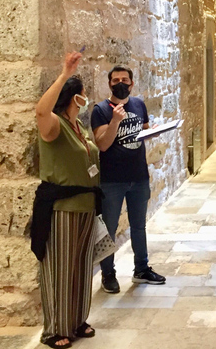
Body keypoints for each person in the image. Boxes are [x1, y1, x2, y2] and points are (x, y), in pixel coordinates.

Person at [34, 52, 99, 348]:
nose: (86, 98)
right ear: (74, 97)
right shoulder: (56, 126)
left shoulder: (80, 128)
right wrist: (63, 75)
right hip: (62, 208)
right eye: (84, 94)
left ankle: (76, 319)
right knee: (59, 268)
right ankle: (56, 328)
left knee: (82, 267)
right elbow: (40, 112)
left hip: (86, 205)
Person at [91, 65, 166, 294]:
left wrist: (153, 129)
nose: (120, 83)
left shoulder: (138, 104)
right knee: (110, 229)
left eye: (125, 79)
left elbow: (143, 128)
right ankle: (108, 274)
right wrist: (115, 120)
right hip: (112, 180)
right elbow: (102, 144)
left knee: (139, 226)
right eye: (116, 80)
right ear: (110, 84)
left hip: (138, 176)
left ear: (132, 83)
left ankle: (141, 269)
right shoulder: (101, 110)